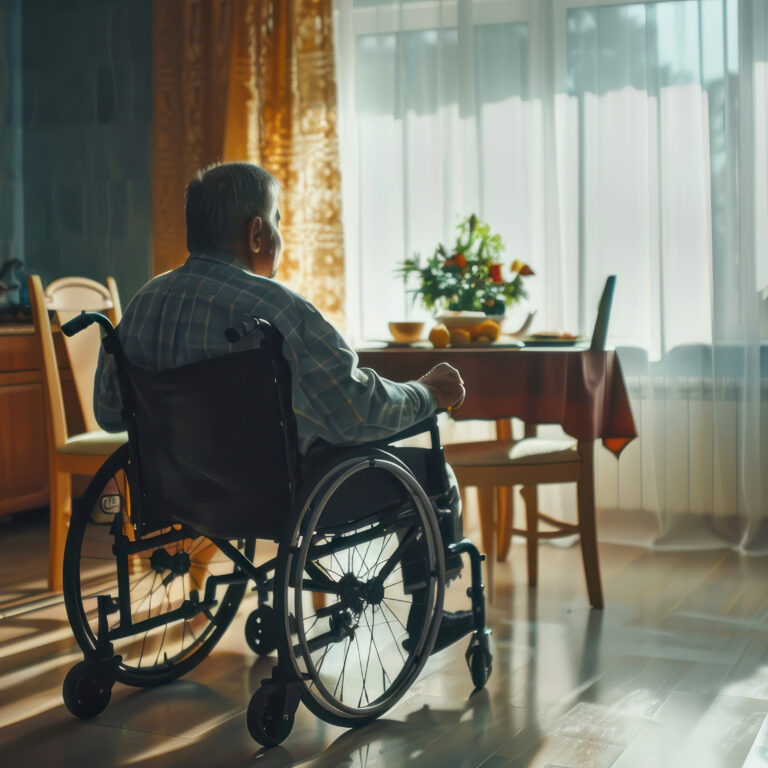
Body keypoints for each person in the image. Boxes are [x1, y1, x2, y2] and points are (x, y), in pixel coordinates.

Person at [94, 161, 472, 649]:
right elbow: (358, 413)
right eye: (277, 221)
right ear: (257, 233)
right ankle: (427, 616)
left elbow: (110, 412)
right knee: (432, 472)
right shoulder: (279, 310)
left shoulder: (144, 304)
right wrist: (427, 393)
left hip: (176, 492)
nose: (279, 234)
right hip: (277, 497)